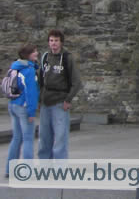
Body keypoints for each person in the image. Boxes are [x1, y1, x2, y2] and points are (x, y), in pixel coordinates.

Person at [37, 30, 82, 160]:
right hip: (46, 101)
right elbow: (40, 79)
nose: (54, 43)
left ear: (61, 42)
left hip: (60, 102)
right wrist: (40, 99)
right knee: (44, 138)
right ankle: (45, 166)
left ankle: (59, 169)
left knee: (60, 138)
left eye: (56, 41)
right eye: (51, 41)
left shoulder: (68, 58)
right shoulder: (45, 57)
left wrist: (68, 100)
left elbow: (77, 82)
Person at [5, 45, 40, 178]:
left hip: (13, 105)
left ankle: (9, 169)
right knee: (28, 139)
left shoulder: (15, 67)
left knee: (16, 138)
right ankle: (27, 171)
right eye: (34, 52)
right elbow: (31, 92)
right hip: (24, 107)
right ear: (28, 55)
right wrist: (31, 112)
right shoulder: (29, 70)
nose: (36, 53)